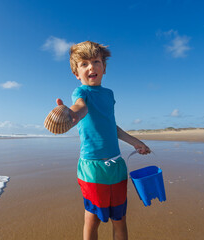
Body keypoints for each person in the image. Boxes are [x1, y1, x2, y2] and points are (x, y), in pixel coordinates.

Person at [56, 41, 151, 240]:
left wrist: (135, 141)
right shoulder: (81, 92)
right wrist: (71, 115)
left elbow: (111, 126)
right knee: (93, 219)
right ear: (76, 73)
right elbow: (80, 107)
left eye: (96, 61)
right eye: (84, 64)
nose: (91, 67)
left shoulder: (109, 95)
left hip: (116, 166)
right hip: (92, 168)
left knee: (120, 218)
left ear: (104, 67)